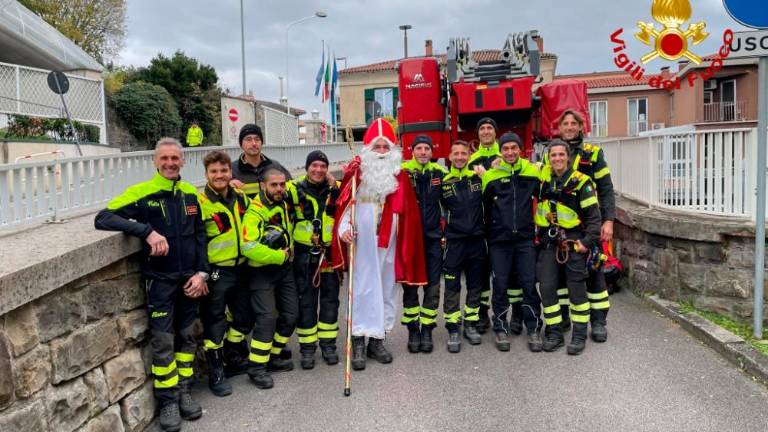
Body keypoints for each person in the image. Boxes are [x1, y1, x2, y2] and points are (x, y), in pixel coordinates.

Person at [94, 137, 207, 432]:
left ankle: (184, 392)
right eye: (165, 158)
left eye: (175, 158)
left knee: (187, 339)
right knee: (163, 343)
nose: (170, 163)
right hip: (160, 282)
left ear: (183, 161)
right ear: (155, 161)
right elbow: (104, 218)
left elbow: (200, 237)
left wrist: (203, 274)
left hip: (190, 281)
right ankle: (168, 401)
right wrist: (147, 231)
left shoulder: (190, 194)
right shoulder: (142, 193)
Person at [333, 118, 427, 371]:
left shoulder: (401, 177)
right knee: (362, 290)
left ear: (394, 150)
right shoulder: (356, 175)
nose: (383, 152)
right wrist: (344, 230)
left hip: (391, 245)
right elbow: (343, 207)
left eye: (387, 147)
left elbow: (408, 214)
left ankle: (377, 340)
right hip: (362, 245)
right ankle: (358, 341)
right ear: (368, 150)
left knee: (386, 290)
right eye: (378, 147)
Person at [550, 109, 615, 342]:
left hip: (591, 222)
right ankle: (567, 318)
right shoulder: (553, 153)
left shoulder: (592, 154)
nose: (568, 127)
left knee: (594, 274)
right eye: (564, 123)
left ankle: (598, 321)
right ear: (560, 128)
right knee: (563, 277)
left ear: (580, 126)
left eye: (572, 123)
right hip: (564, 227)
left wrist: (608, 220)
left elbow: (606, 189)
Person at [535, 139, 601, 355]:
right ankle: (554, 332)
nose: (557, 159)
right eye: (553, 155)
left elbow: (594, 218)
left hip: (573, 242)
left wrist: (586, 243)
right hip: (548, 242)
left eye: (561, 155)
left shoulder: (582, 182)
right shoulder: (544, 180)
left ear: (568, 157)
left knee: (576, 289)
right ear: (548, 158)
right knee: (546, 287)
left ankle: (579, 334)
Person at [481, 132, 543, 353]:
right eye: (505, 149)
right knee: (500, 286)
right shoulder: (490, 176)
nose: (509, 152)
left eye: (513, 148)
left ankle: (533, 327)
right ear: (500, 151)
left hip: (525, 240)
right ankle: (500, 327)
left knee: (528, 285)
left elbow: (546, 193)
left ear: (520, 149)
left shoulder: (532, 172)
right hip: (499, 241)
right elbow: (484, 209)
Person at [197, 150, 252, 397]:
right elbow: (196, 242)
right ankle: (216, 370)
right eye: (214, 172)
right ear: (207, 174)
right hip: (217, 271)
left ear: (231, 172)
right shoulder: (200, 203)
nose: (220, 176)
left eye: (224, 171)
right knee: (215, 322)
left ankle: (232, 355)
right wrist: (201, 273)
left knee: (244, 317)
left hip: (241, 268)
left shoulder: (240, 197)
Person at [240, 168, 298, 389]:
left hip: (284, 270)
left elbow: (307, 178)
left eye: (282, 184)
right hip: (261, 271)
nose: (279, 189)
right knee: (266, 319)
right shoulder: (254, 212)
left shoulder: (282, 200)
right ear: (263, 186)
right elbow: (248, 246)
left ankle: (272, 356)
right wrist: (278, 256)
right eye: (274, 185)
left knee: (292, 315)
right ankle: (256, 367)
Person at [287, 150, 342, 369]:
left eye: (322, 166)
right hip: (304, 256)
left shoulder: (335, 189)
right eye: (314, 166)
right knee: (306, 303)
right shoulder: (292, 189)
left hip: (329, 256)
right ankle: (308, 348)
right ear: (307, 167)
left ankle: (328, 345)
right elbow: (270, 192)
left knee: (330, 301)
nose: (318, 170)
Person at [400, 135, 446, 353]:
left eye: (427, 148)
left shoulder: (440, 173)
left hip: (433, 238)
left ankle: (427, 328)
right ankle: (413, 329)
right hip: (410, 238)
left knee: (433, 286)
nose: (423, 152)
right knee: (409, 286)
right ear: (412, 151)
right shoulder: (401, 173)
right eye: (419, 148)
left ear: (431, 151)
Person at [440, 140, 486, 353]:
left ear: (469, 156)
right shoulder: (442, 182)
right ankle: (453, 328)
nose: (460, 157)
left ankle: (470, 324)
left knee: (475, 285)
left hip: (476, 241)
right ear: (449, 157)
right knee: (452, 287)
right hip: (454, 242)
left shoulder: (478, 177)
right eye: (456, 153)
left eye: (463, 153)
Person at [467, 117, 501, 333]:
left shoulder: (505, 155)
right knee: (482, 271)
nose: (486, 132)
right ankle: (482, 314)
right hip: (480, 223)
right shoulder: (471, 160)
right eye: (483, 129)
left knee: (502, 271)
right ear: (478, 134)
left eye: (490, 128)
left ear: (495, 132)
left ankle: (504, 313)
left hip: (502, 223)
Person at [231, 123, 292, 199]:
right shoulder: (231, 170)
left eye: (257, 139)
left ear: (261, 143)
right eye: (248, 139)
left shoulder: (275, 166)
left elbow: (291, 189)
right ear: (241, 144)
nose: (254, 143)